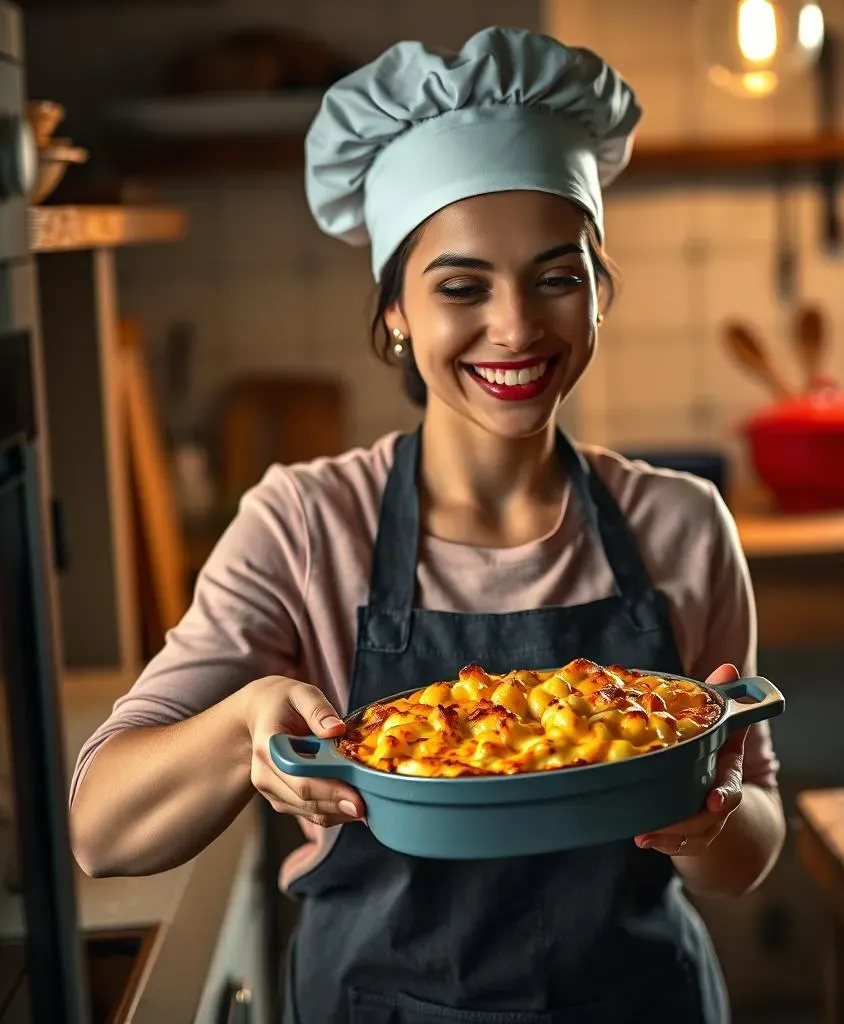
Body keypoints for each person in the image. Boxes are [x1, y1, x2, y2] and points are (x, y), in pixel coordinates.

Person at [69, 26, 785, 1024]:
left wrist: (711, 818)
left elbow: (749, 845)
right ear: (396, 309)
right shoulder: (306, 524)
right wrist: (244, 725)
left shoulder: (681, 523)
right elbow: (103, 830)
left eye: (556, 275)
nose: (516, 327)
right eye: (460, 287)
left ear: (596, 289)